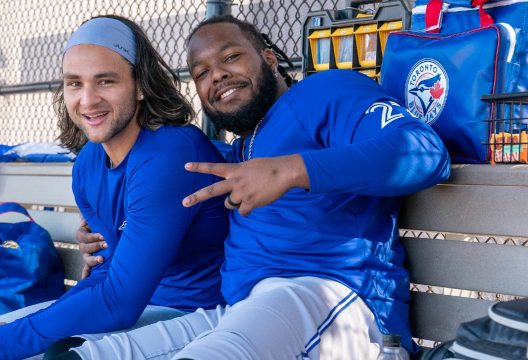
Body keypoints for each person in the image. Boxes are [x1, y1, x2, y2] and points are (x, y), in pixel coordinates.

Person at [72, 15, 451, 359]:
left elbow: (426, 153)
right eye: (201, 72)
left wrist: (290, 170)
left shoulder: (327, 91)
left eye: (231, 57)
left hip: (335, 301)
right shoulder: (236, 152)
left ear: (269, 59)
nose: (216, 75)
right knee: (81, 351)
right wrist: (108, 232)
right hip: (240, 310)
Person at [0, 14, 229, 360]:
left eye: (105, 81)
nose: (87, 100)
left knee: (54, 353)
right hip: (139, 305)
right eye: (74, 83)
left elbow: (119, 301)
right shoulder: (89, 163)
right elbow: (105, 273)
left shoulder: (170, 154)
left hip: (199, 314)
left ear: (140, 86)